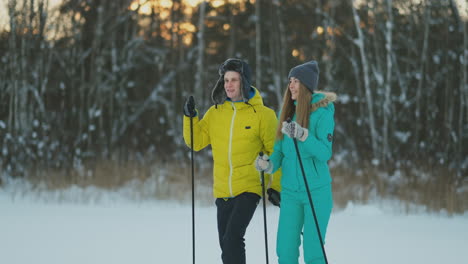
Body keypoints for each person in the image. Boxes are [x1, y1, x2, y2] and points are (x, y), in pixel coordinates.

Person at [182, 58, 281, 264]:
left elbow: (276, 151)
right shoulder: (216, 113)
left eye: (234, 79)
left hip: (249, 187)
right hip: (222, 190)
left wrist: (276, 185)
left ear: (244, 81)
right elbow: (196, 141)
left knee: (232, 238)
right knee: (226, 244)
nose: (228, 84)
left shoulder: (263, 115)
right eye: (226, 80)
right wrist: (190, 117)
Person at [255, 61, 336, 264]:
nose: (291, 85)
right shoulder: (287, 115)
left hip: (316, 192)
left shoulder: (322, 114)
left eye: (296, 81)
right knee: (285, 249)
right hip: (290, 192)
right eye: (290, 81)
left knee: (313, 252)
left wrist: (303, 135)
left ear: (307, 85)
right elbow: (280, 153)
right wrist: (268, 164)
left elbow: (324, 153)